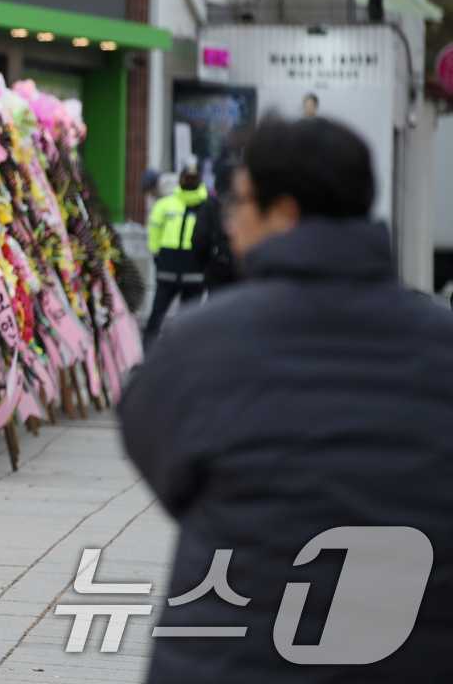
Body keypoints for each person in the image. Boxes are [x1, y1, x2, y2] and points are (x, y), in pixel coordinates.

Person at [120, 116, 453, 682]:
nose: (230, 222)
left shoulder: (198, 344)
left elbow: (159, 458)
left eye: (241, 201)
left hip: (229, 659)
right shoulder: (442, 342)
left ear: (285, 213)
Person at [142, 165, 207, 346]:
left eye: (193, 179)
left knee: (190, 320)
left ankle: (183, 357)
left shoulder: (207, 206)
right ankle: (148, 355)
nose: (190, 183)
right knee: (157, 315)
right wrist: (157, 255)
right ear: (181, 180)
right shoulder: (165, 205)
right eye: (187, 179)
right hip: (169, 269)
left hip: (194, 273)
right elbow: (153, 231)